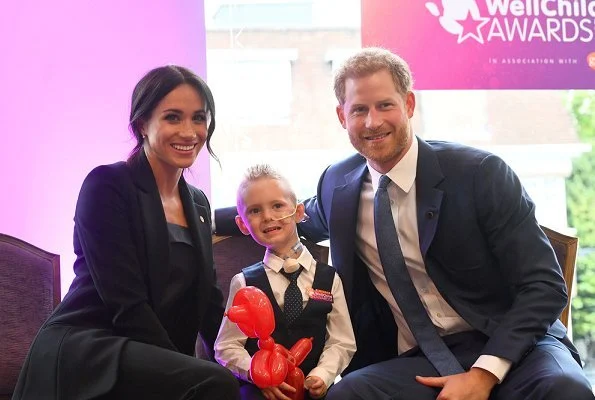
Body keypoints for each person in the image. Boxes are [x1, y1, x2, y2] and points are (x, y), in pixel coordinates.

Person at [216, 48, 594, 400]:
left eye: (385, 105)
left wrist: (484, 373)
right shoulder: (338, 186)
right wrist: (191, 214)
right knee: (347, 395)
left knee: (565, 389)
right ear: (341, 116)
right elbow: (291, 214)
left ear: (409, 104)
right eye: (359, 109)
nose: (373, 121)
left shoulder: (480, 174)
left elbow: (544, 285)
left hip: (514, 347)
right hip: (419, 358)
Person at [13, 65, 240, 400]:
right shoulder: (107, 185)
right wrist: (185, 368)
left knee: (235, 382)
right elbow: (126, 304)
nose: (189, 131)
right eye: (173, 117)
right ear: (142, 125)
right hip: (91, 347)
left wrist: (245, 365)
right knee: (213, 384)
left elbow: (208, 303)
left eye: (199, 118)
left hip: (146, 352)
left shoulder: (199, 204)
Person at [215, 164, 356, 400]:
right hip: (263, 393)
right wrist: (258, 374)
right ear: (242, 225)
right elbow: (226, 346)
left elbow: (342, 341)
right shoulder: (244, 282)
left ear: (299, 212)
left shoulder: (330, 279)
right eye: (255, 210)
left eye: (277, 206)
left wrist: (323, 374)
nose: (268, 216)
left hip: (315, 390)